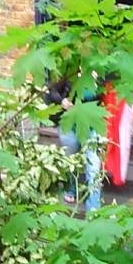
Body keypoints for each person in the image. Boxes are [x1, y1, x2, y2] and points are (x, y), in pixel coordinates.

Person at [46, 76, 103, 212]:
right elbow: (51, 91)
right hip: (70, 124)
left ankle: (93, 208)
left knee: (94, 166)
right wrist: (62, 101)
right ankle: (71, 188)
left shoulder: (100, 74)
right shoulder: (70, 71)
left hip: (92, 125)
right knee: (71, 159)